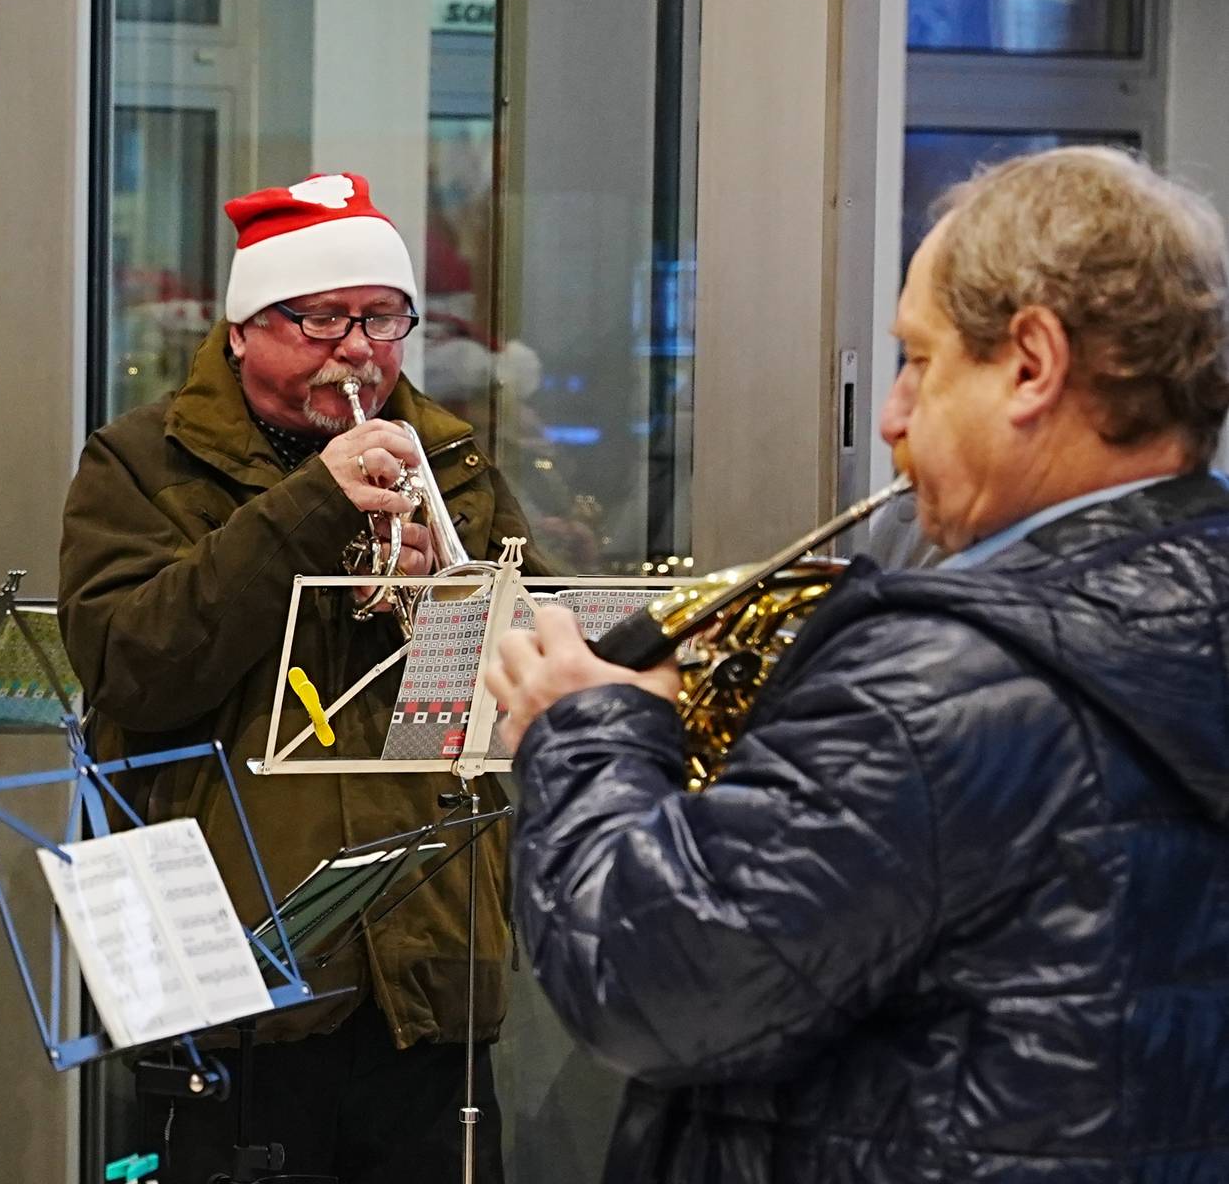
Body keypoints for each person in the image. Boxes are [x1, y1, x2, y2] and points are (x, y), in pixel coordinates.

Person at [487, 146, 1229, 1182]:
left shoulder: (946, 681)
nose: (890, 415)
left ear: (1030, 363)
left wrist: (589, 732)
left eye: (920, 361)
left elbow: (652, 984)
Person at [59, 172, 531, 1183]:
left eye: (382, 317)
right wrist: (311, 508)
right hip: (226, 975)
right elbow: (131, 664)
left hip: (424, 958)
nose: (358, 350)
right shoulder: (140, 463)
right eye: (320, 319)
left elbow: (513, 682)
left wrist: (449, 606)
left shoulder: (450, 459)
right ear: (241, 328)